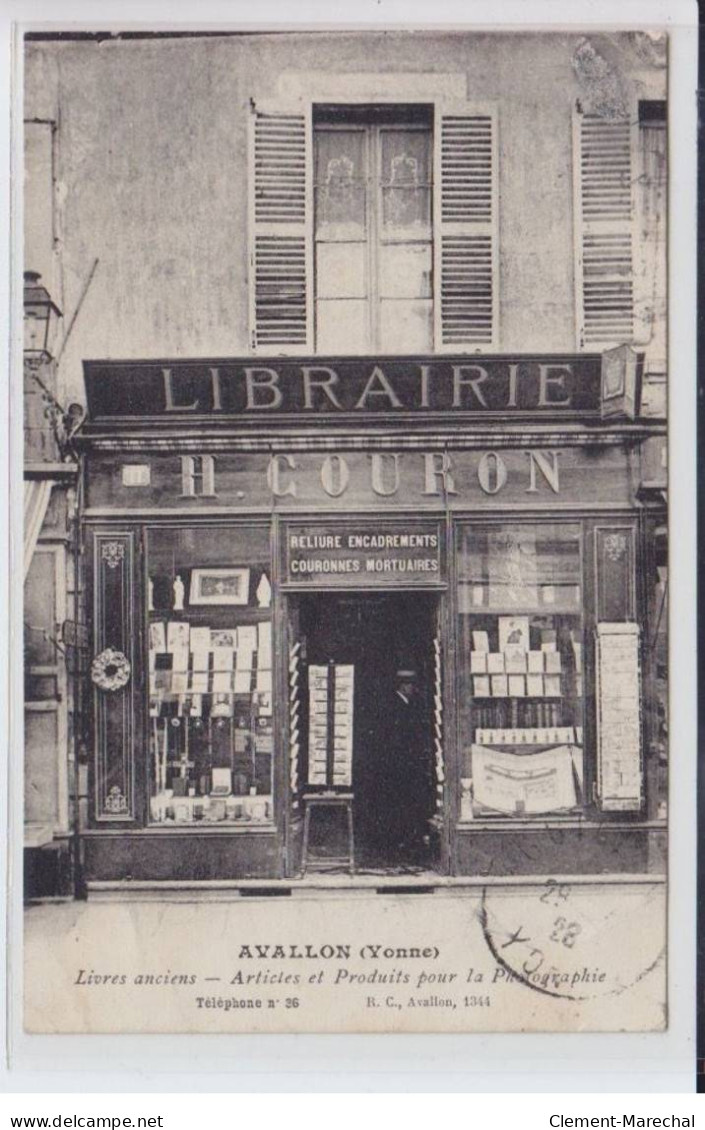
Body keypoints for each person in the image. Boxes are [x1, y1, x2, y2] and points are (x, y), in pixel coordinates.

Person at [382, 668, 432, 864]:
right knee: (400, 803)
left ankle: (406, 839)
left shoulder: (407, 704)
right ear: (404, 685)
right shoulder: (393, 706)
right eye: (411, 685)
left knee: (408, 803)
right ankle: (400, 840)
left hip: (408, 765)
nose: (414, 689)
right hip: (399, 766)